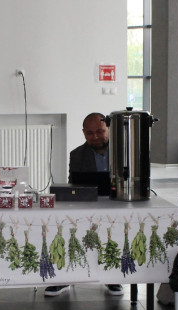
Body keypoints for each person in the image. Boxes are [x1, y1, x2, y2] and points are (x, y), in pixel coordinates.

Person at [44, 112, 124, 297]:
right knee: (63, 227)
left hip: (118, 203)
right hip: (88, 204)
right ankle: (64, 276)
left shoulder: (124, 151)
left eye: (100, 131)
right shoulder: (77, 154)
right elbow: (74, 185)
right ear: (83, 133)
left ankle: (113, 277)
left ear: (109, 129)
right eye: (90, 133)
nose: (95, 137)